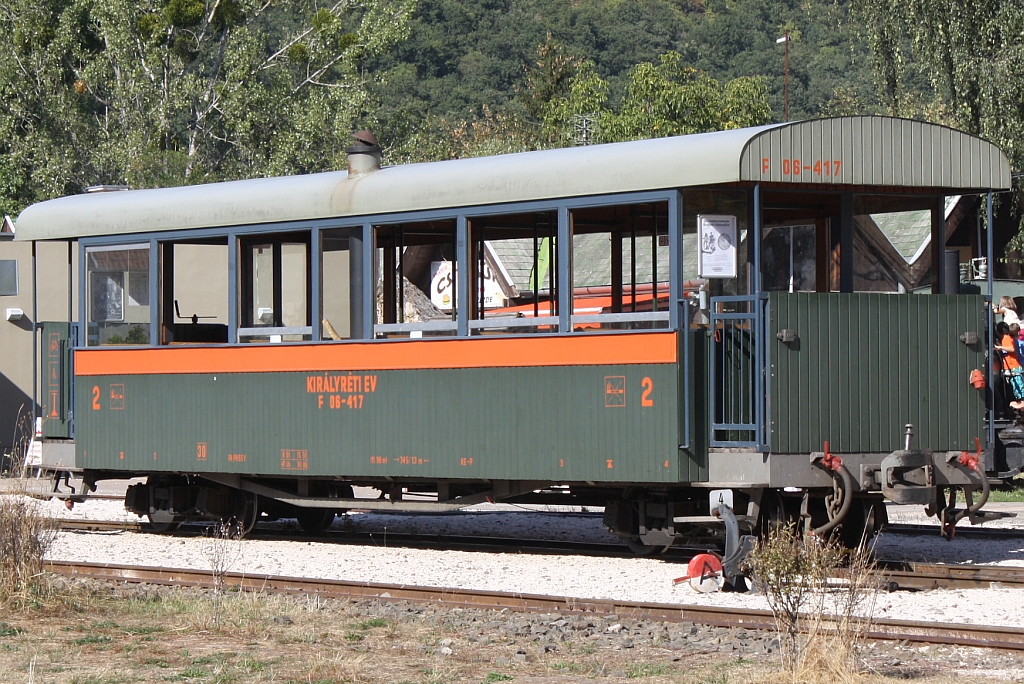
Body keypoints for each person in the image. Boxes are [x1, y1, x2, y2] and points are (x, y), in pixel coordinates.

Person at [995, 321, 1024, 412]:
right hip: (1011, 367)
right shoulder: (1006, 338)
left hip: (1014, 366)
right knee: (1014, 385)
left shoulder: (1006, 338)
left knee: (1018, 384)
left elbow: (1011, 349)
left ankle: (1022, 401)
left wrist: (999, 347)